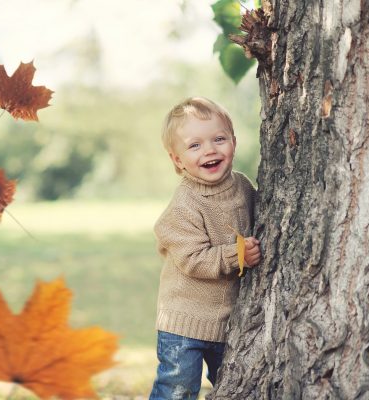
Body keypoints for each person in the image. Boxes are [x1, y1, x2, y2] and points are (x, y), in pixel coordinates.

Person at [149, 97, 261, 399]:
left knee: (235, 384)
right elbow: (191, 259)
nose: (210, 150)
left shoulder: (242, 186)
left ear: (234, 143)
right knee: (178, 387)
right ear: (177, 160)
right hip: (184, 323)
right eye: (194, 145)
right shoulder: (185, 203)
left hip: (229, 320)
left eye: (219, 139)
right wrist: (236, 255)